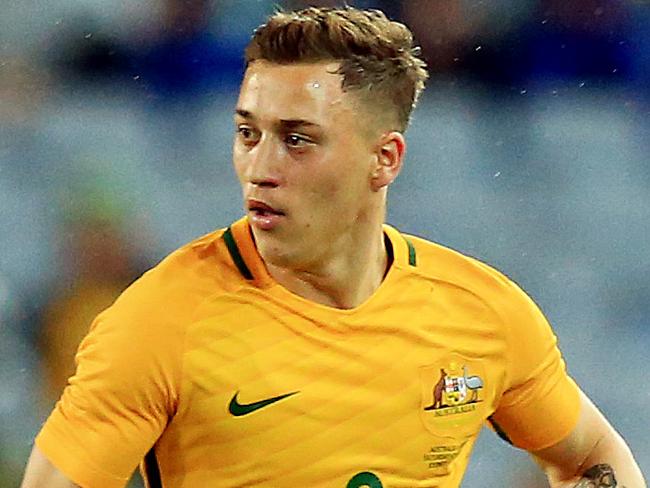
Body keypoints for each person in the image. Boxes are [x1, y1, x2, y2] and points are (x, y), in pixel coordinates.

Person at [21, 6, 645, 488]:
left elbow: (590, 456)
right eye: (247, 132)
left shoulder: (482, 312)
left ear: (385, 159)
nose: (258, 167)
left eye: (297, 140)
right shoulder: (159, 321)